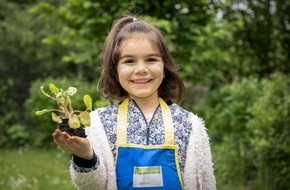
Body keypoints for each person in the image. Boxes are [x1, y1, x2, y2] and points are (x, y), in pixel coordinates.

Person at [52, 15, 216, 190]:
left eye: (151, 60)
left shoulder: (190, 125)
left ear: (164, 67)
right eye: (129, 61)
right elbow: (92, 186)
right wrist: (84, 156)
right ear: (115, 71)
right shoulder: (98, 124)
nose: (141, 70)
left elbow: (205, 183)